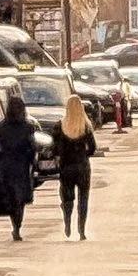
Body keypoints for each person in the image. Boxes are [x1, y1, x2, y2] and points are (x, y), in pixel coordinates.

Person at [0, 92, 38, 241]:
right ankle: (17, 225)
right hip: (22, 165)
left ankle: (14, 224)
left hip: (7, 165)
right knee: (20, 198)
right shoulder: (28, 127)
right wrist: (31, 162)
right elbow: (32, 146)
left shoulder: (1, 127)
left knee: (11, 197)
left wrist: (0, 160)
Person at [54, 93, 93, 238]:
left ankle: (67, 221)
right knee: (83, 198)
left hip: (66, 167)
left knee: (67, 197)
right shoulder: (86, 126)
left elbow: (55, 148)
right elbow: (93, 147)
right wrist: (84, 154)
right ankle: (81, 230)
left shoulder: (60, 126)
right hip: (82, 166)